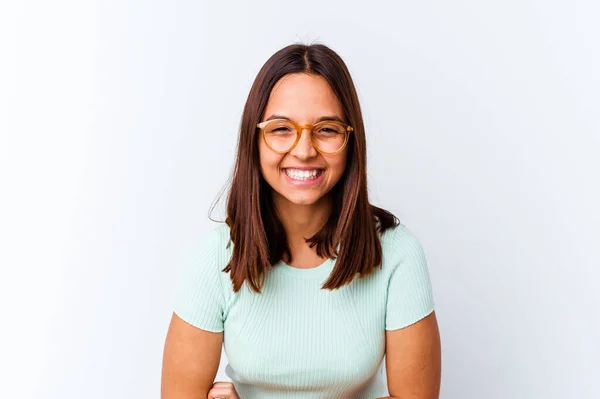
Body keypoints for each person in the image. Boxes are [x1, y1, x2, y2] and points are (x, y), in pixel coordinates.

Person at [161, 43, 441, 399]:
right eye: (281, 129)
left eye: (326, 129)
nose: (304, 149)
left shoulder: (398, 253)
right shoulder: (216, 257)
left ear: (350, 140)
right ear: (255, 138)